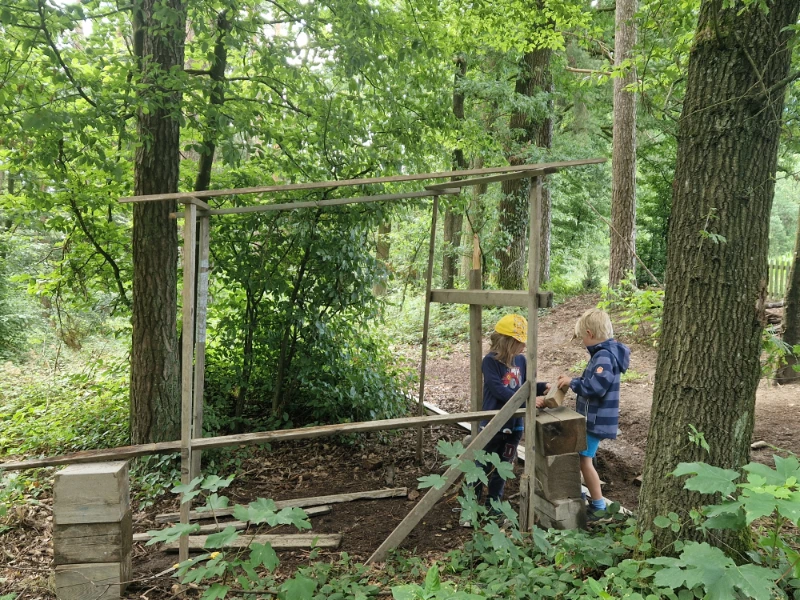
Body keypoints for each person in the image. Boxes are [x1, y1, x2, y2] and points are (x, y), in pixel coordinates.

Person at [557, 308, 630, 521]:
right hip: (594, 418)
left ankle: (598, 507)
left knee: (584, 461)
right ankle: (585, 493)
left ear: (589, 334)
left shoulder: (604, 356)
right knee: (584, 457)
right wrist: (573, 380)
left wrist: (573, 383)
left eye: (582, 337)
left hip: (595, 420)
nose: (582, 342)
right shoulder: (604, 354)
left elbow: (596, 388)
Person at [474, 314, 549, 516]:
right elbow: (499, 390)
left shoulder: (521, 361)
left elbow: (526, 386)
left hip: (515, 426)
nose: (523, 346)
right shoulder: (490, 362)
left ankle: (493, 505)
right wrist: (528, 402)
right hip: (493, 424)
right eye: (519, 342)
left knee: (503, 467)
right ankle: (470, 505)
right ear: (507, 342)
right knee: (481, 465)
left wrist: (544, 387)